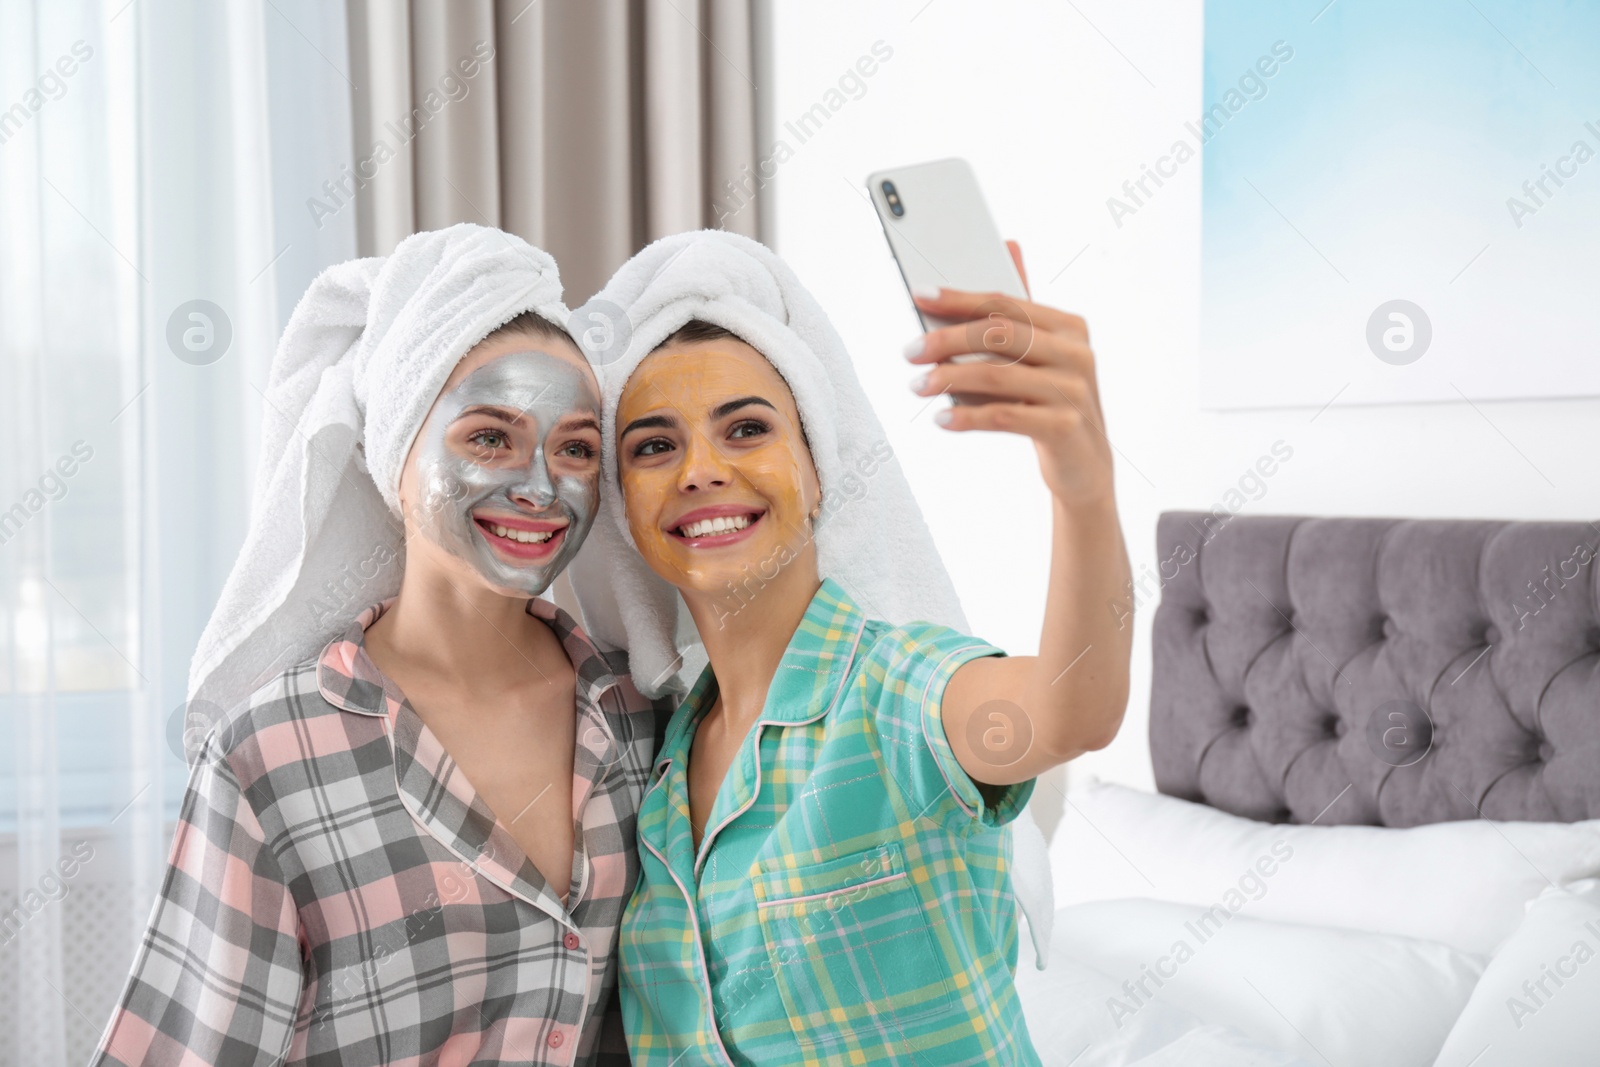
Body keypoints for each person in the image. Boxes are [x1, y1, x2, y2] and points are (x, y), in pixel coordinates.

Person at [91, 224, 658, 1067]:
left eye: (574, 448)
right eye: (489, 437)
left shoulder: (637, 720)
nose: (540, 486)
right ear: (396, 454)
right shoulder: (268, 757)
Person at [567, 230, 1133, 1065]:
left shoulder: (899, 689)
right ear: (623, 509)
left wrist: (1081, 482)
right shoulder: (651, 776)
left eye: (747, 428)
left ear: (818, 466)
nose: (699, 469)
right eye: (654, 445)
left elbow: (1069, 709)